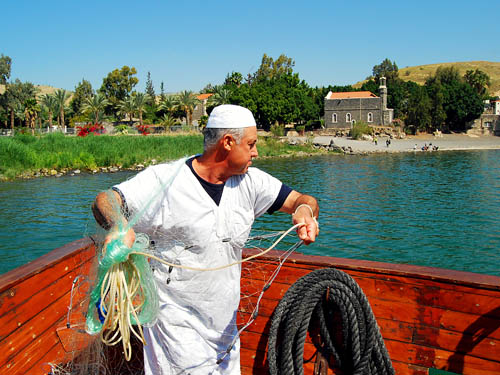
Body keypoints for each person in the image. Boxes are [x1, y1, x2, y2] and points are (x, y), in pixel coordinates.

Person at [92, 104, 319, 375]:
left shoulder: (251, 182)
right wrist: (119, 225)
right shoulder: (165, 180)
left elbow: (302, 200)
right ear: (227, 143)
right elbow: (105, 200)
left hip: (224, 330)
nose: (256, 152)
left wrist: (305, 211)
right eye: (251, 144)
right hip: (176, 331)